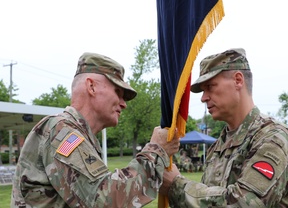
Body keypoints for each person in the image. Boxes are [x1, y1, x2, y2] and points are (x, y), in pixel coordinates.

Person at [11, 52, 180, 207]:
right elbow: (105, 200)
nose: (124, 104)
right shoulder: (61, 131)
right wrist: (156, 151)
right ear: (91, 87)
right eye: (118, 92)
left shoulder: (75, 133)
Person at [160, 48, 288, 207]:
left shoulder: (273, 137)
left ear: (238, 80)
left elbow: (245, 203)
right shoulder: (220, 145)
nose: (204, 98)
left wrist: (175, 186)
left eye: (210, 86)